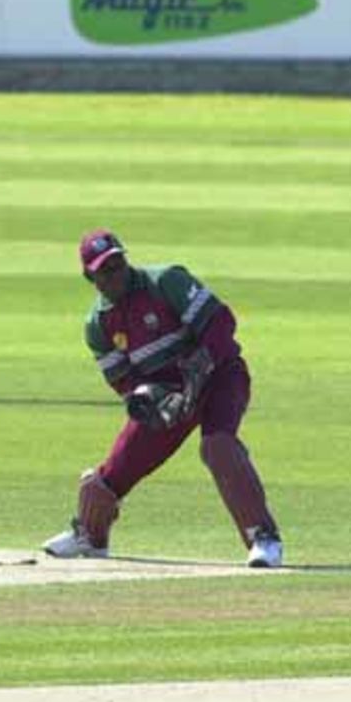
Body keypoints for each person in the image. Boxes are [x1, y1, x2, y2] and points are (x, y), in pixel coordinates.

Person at [42, 229, 284, 568]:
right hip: (170, 396)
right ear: (90, 277)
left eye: (118, 263)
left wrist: (199, 367)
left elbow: (220, 321)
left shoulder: (166, 281)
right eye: (105, 270)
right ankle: (91, 536)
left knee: (218, 446)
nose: (115, 274)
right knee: (113, 472)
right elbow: (123, 380)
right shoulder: (98, 325)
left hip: (219, 376)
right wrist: (149, 402)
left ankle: (264, 538)